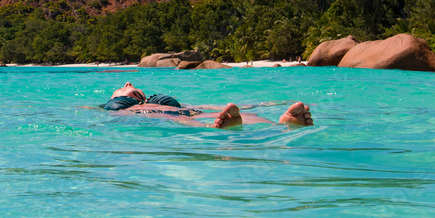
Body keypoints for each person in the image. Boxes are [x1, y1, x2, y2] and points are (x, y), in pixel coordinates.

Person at [103, 83, 313, 129]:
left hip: (181, 111)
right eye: (124, 87)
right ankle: (281, 127)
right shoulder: (123, 105)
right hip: (157, 112)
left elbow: (211, 107)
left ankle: (283, 125)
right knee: (189, 116)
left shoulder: (121, 104)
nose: (128, 84)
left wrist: (266, 104)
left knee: (201, 114)